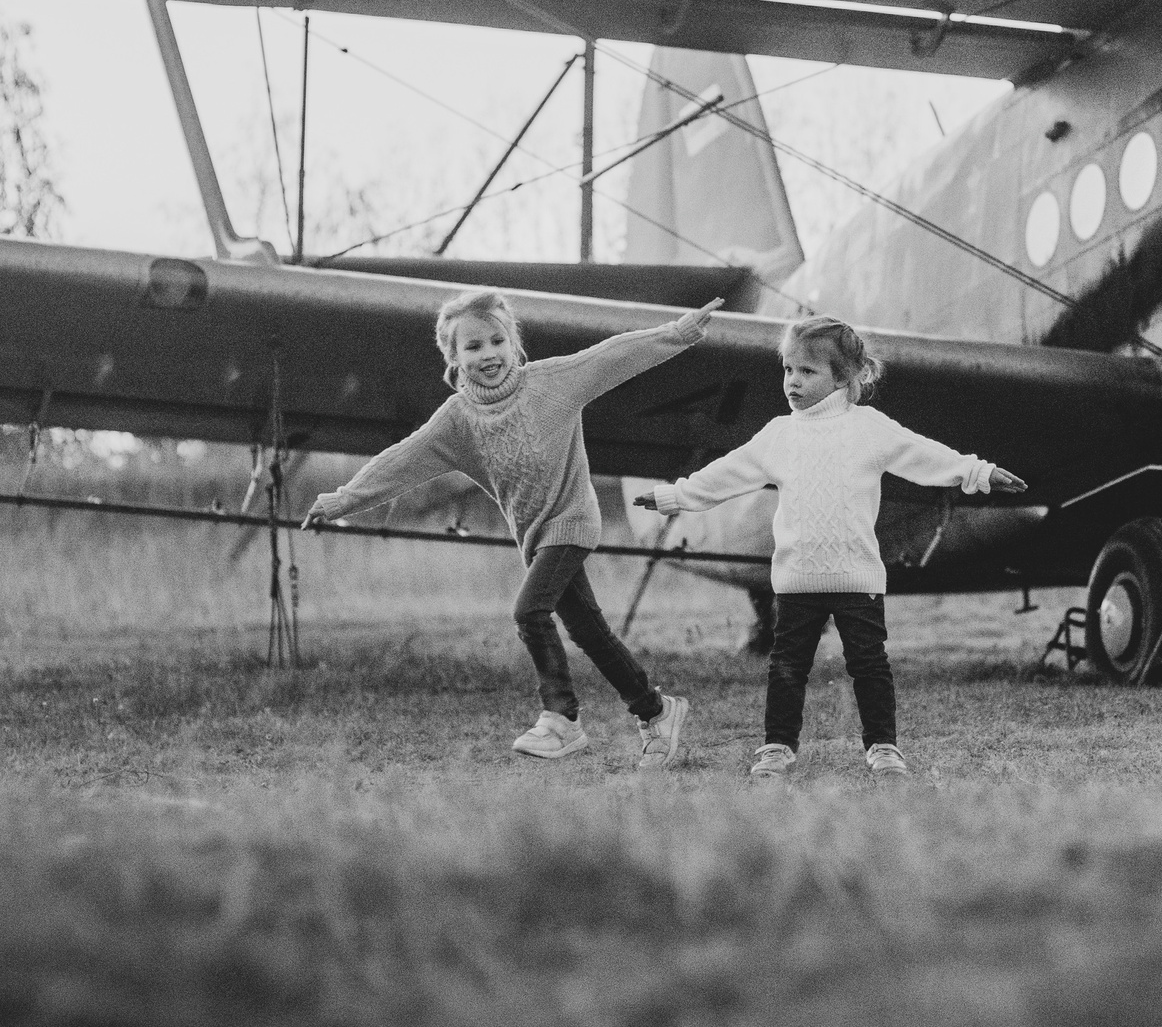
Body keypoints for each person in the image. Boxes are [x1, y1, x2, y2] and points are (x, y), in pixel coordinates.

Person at [308, 290, 719, 770]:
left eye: (496, 340)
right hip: (536, 535)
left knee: (529, 610)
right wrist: (342, 499)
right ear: (454, 357)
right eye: (473, 346)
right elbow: (403, 461)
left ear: (513, 342)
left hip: (572, 520)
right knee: (589, 631)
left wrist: (677, 333)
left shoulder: (552, 383)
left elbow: (613, 356)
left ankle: (561, 719)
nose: (488, 354)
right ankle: (657, 710)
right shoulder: (458, 420)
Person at [636, 314, 1022, 779]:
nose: (792, 382)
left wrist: (978, 473)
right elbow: (725, 474)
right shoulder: (779, 434)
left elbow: (927, 454)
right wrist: (672, 496)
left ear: (843, 377)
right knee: (787, 669)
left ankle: (882, 747)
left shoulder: (870, 428)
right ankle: (777, 748)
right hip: (797, 579)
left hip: (857, 576)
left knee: (870, 667)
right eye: (787, 370)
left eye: (807, 372)